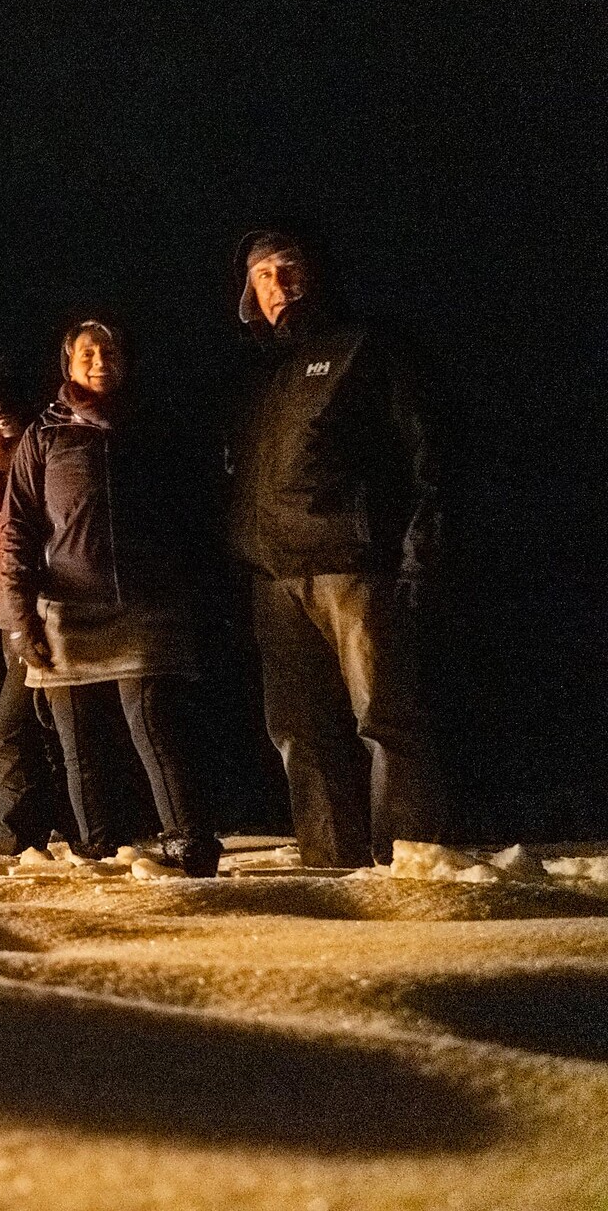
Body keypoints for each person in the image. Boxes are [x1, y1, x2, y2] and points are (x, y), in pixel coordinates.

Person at [229, 228, 446, 867]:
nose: (278, 284)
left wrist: (419, 551)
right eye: (262, 275)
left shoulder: (362, 347)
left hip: (353, 567)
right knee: (299, 732)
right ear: (249, 294)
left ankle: (408, 865)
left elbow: (426, 455)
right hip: (274, 576)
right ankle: (330, 866)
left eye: (288, 267)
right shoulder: (254, 376)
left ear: (314, 272)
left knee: (384, 719)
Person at [0, 320, 221, 876]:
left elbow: (190, 510)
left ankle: (189, 844)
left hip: (145, 605)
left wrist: (187, 586)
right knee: (78, 741)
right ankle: (99, 849)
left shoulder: (151, 425)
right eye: (88, 353)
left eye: (110, 352)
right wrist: (19, 619)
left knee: (155, 726)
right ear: (68, 363)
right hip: (66, 609)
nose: (100, 361)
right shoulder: (44, 434)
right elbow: (17, 529)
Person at [0, 357, 62, 854]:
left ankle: (20, 841)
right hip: (6, 628)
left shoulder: (47, 477)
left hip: (46, 620)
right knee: (9, 735)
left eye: (3, 425)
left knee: (14, 735)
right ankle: (39, 837)